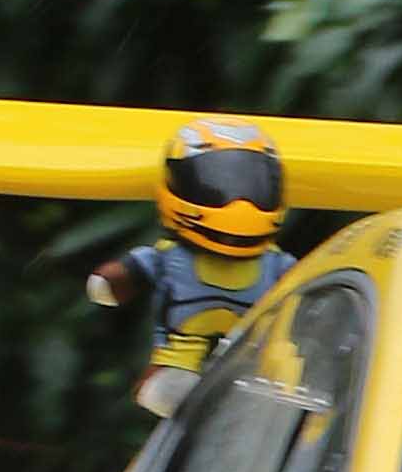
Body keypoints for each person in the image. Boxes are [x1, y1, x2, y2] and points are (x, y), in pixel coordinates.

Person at [86, 124, 293, 418]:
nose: (240, 206)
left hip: (259, 353)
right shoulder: (171, 258)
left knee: (274, 372)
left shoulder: (275, 264)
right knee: (174, 387)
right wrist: (115, 280)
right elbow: (129, 272)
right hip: (186, 350)